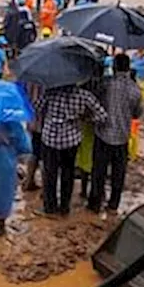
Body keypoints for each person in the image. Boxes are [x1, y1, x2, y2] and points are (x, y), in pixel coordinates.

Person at [38, 84, 109, 215]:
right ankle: (65, 207)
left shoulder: (50, 91)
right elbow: (102, 115)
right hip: (71, 141)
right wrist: (85, 118)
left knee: (50, 174)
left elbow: (37, 107)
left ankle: (50, 207)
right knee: (68, 173)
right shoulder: (83, 95)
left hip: (50, 139)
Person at [90, 54, 143, 214]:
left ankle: (95, 203)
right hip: (122, 137)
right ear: (128, 68)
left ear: (114, 67)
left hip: (103, 134)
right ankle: (113, 204)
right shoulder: (135, 90)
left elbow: (95, 101)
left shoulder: (106, 84)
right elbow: (137, 114)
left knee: (98, 171)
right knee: (118, 174)